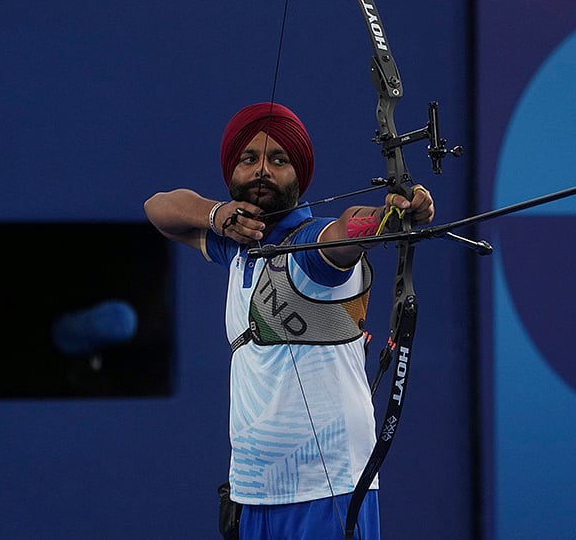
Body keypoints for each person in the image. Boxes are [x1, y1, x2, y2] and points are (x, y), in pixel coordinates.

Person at [144, 102, 433, 540]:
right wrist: (218, 215)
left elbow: (346, 232)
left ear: (299, 176)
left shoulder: (309, 248)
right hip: (253, 492)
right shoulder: (237, 246)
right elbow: (159, 208)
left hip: (325, 491)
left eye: (279, 160)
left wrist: (389, 216)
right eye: (249, 159)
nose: (262, 170)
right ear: (231, 172)